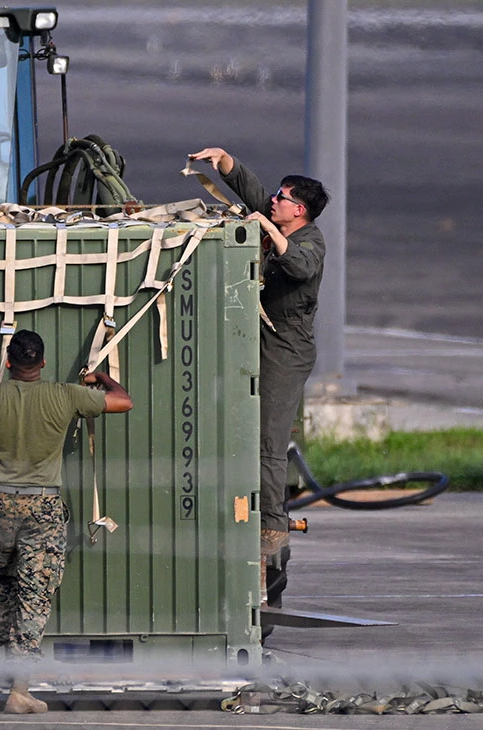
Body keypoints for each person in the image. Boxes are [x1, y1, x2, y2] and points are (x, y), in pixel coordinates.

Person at [0, 330, 132, 714]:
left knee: (2, 588)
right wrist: (101, 378)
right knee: (32, 598)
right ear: (43, 363)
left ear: (9, 363)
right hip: (43, 509)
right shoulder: (65, 395)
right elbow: (123, 401)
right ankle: (19, 689)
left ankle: (8, 673)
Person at [188, 147, 329, 602]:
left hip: (287, 345)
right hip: (260, 338)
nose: (273, 201)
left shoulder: (311, 241)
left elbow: (299, 266)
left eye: (282, 198)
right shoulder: (279, 217)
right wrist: (225, 162)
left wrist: (268, 230)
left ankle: (270, 529)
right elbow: (252, 192)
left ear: (299, 210)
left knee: (268, 440)